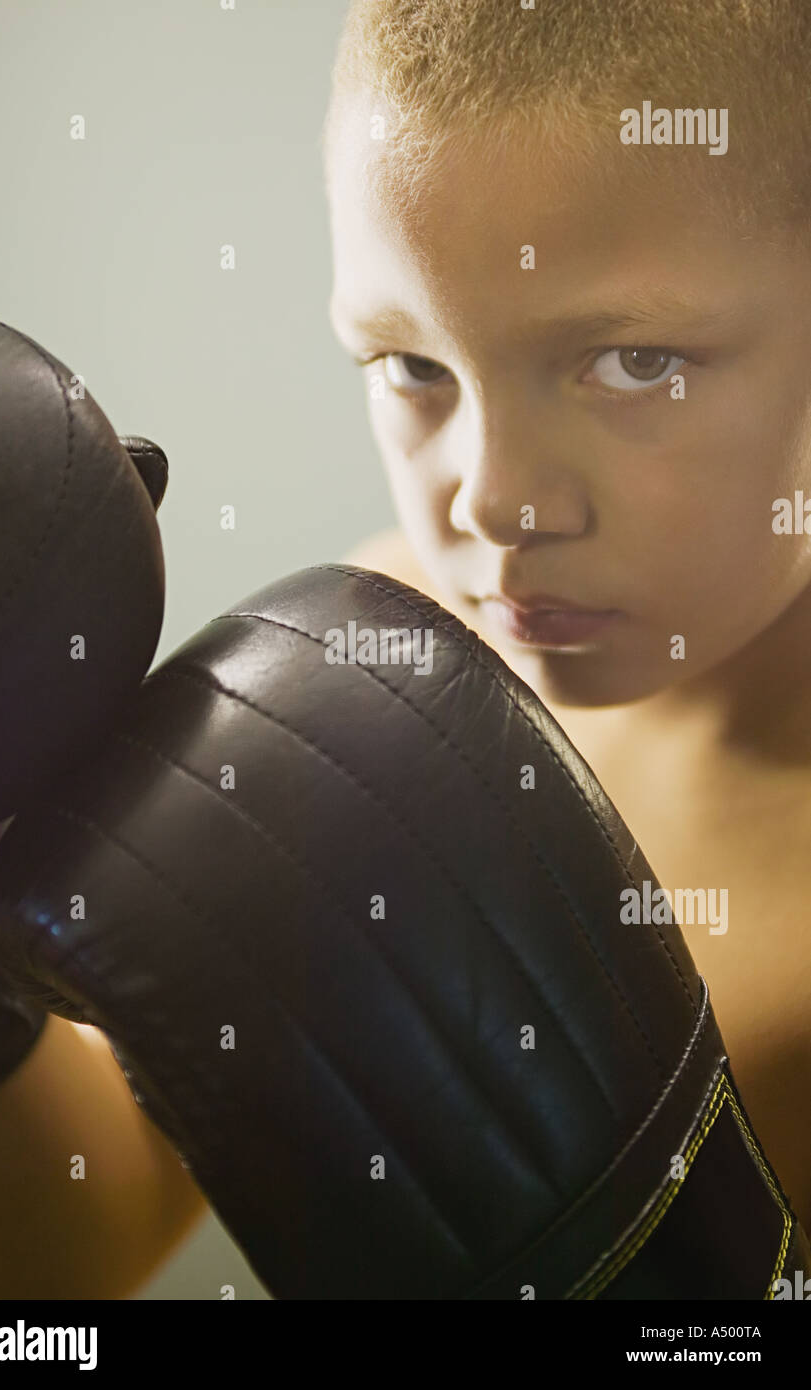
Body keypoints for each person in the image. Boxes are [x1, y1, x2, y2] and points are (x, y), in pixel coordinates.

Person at [326, 0, 811, 1233]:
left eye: (635, 364)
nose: (494, 503)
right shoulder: (379, 659)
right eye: (411, 367)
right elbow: (85, 1235)